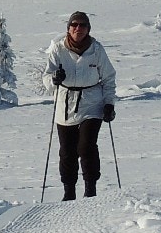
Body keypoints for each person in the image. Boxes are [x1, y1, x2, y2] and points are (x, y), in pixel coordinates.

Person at [43, 11, 116, 200]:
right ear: (68, 28)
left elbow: (108, 77)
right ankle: (69, 191)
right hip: (65, 103)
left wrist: (109, 103)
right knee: (67, 151)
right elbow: (47, 76)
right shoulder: (58, 49)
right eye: (74, 24)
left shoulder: (96, 50)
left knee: (86, 146)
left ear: (88, 29)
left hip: (92, 102)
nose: (78, 28)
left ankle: (90, 188)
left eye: (83, 25)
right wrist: (54, 79)